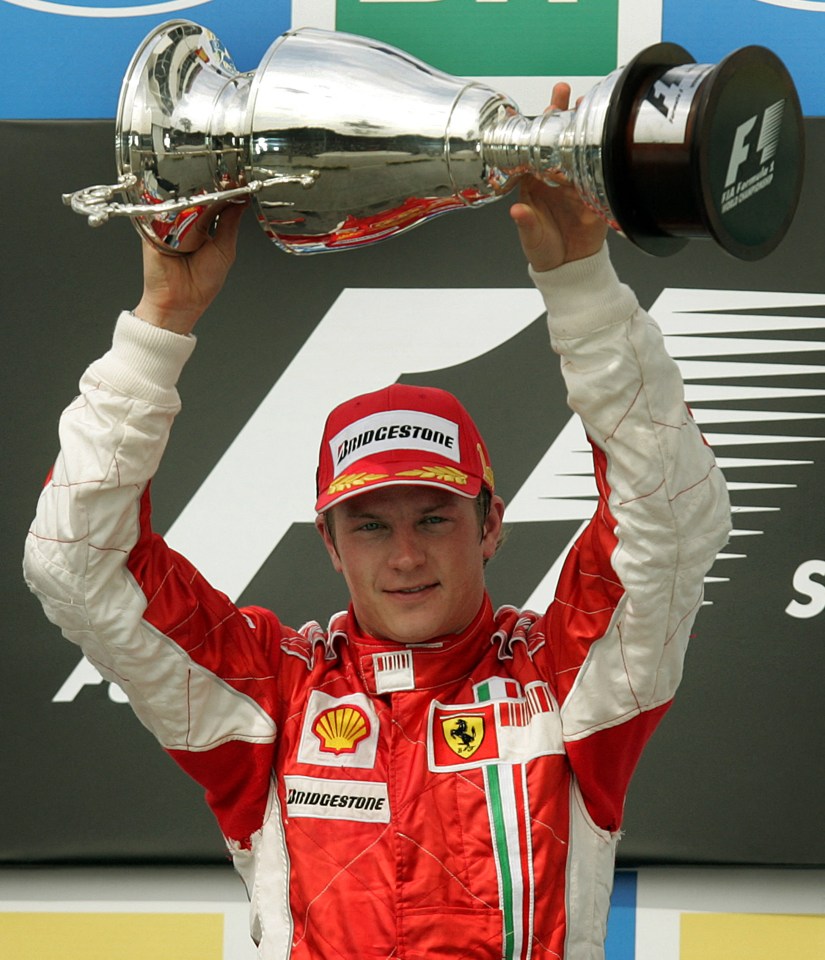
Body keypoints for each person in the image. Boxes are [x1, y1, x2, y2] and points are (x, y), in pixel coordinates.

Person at [24, 86, 731, 960]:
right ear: (327, 544)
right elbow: (75, 565)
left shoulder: (564, 683)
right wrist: (161, 321)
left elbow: (671, 517)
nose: (404, 555)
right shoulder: (273, 700)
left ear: (490, 526)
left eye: (433, 516)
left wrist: (580, 283)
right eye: (367, 525)